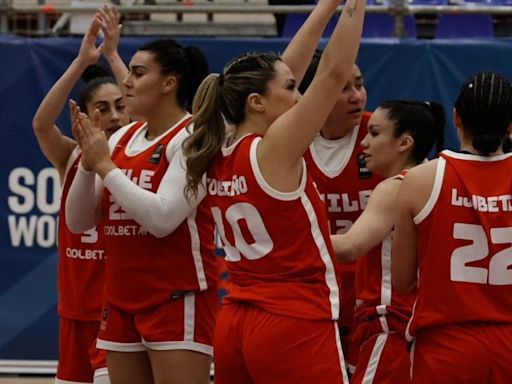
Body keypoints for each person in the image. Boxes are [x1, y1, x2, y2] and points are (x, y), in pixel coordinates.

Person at [182, 0, 366, 381]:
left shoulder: (218, 146)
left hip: (235, 319)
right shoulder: (273, 148)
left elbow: (285, 69)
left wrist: (326, 6)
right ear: (257, 102)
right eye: (291, 89)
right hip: (293, 318)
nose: (299, 96)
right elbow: (333, 72)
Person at [65, 37, 216, 384]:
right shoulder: (122, 138)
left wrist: (104, 166)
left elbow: (162, 219)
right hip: (120, 297)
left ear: (169, 83)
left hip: (176, 297)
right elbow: (78, 221)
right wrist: (89, 165)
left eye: (137, 72)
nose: (127, 82)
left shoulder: (193, 136)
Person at [392, 72, 512, 383]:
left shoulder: (420, 180)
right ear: (510, 125)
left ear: (456, 117)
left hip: (446, 346)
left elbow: (403, 281)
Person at [31, 12, 130, 384]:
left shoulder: (137, 154)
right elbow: (41, 124)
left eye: (121, 106)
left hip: (116, 311)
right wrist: (82, 63)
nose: (114, 116)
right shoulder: (69, 155)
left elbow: (139, 113)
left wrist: (115, 56)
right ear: (83, 116)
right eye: (102, 109)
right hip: (74, 312)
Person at [330, 99, 445, 383]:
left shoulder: (396, 187)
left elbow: (349, 247)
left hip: (391, 326)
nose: (364, 143)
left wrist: (283, 238)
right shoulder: (442, 180)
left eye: (375, 133)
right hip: (426, 327)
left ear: (405, 143)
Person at [298, 49, 382, 371]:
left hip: (373, 297)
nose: (356, 96)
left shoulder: (383, 132)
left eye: (359, 85)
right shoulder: (290, 142)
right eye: (343, 88)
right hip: (314, 294)